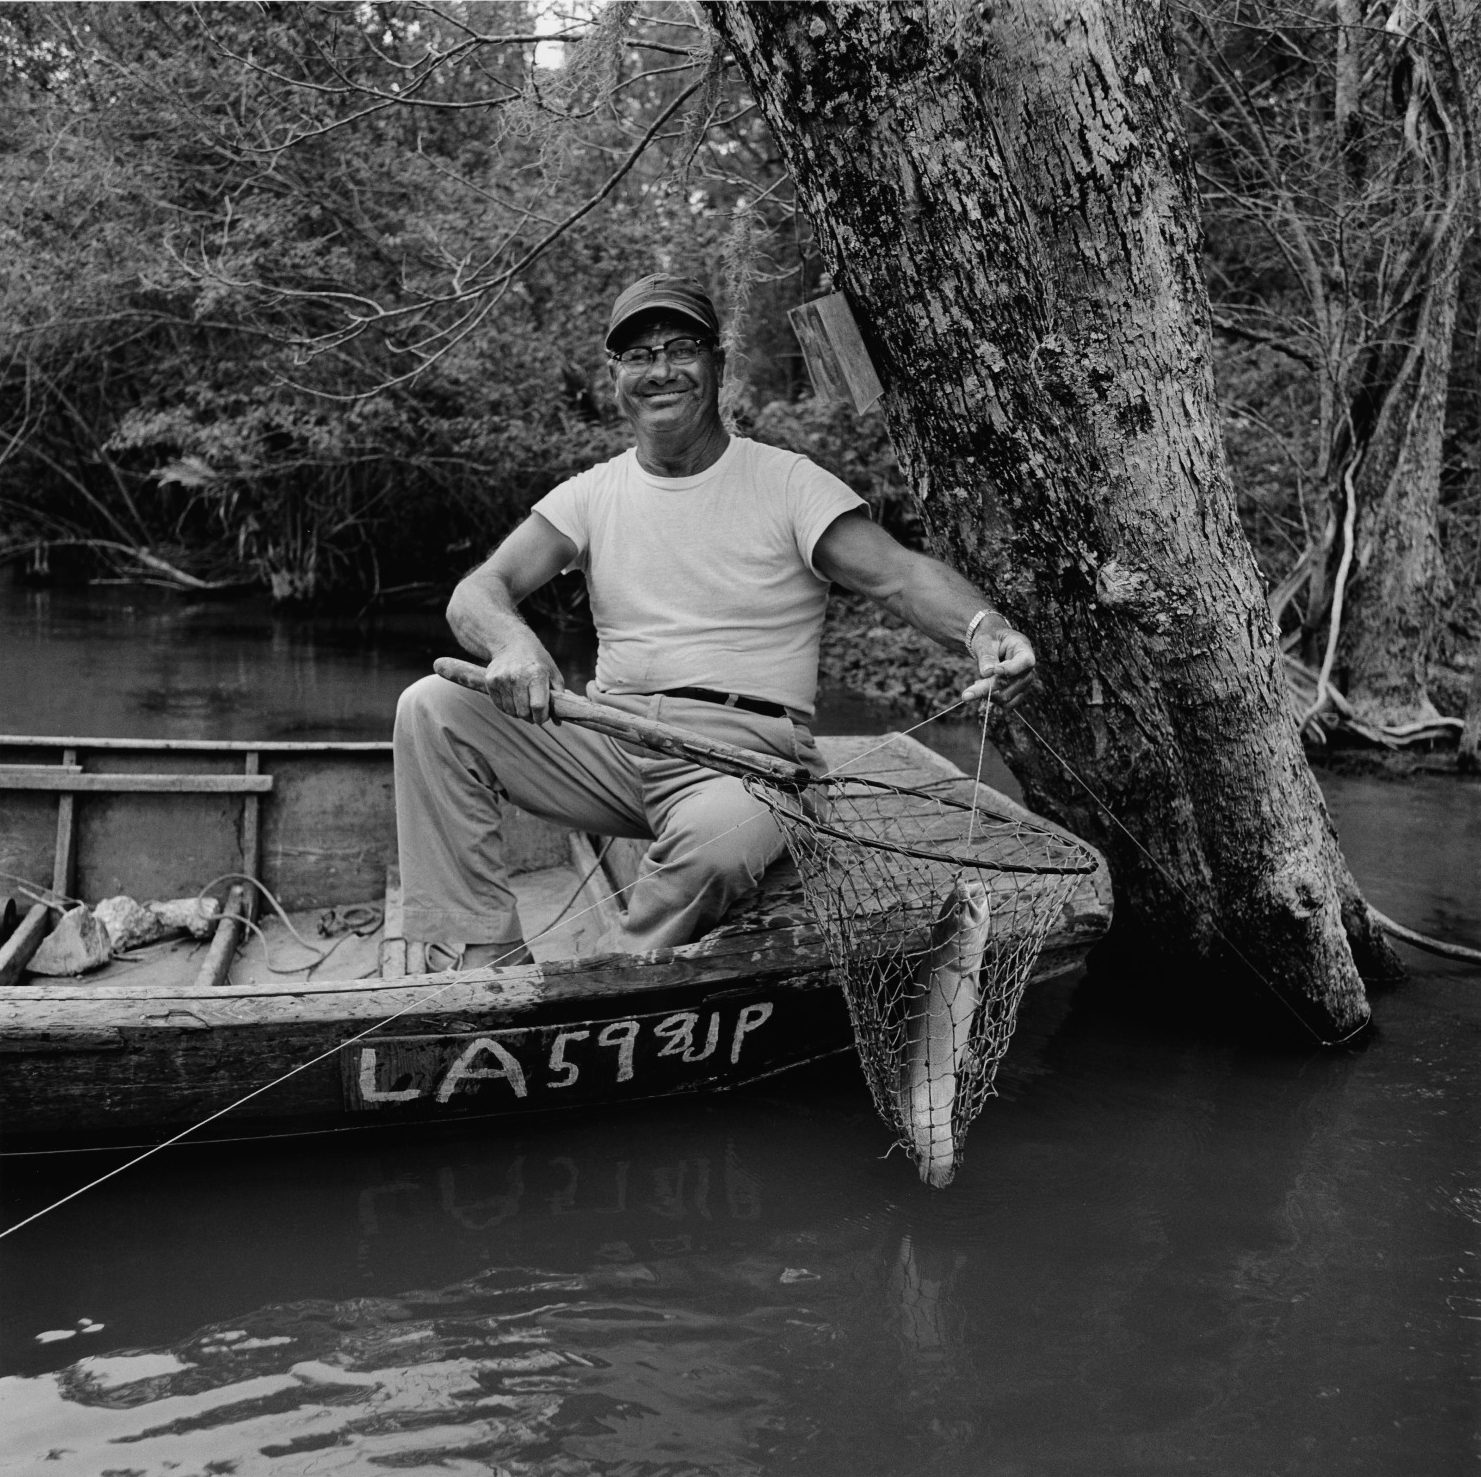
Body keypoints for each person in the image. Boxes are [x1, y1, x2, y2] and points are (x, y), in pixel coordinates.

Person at [394, 273, 1036, 968]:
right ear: (614, 374)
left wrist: (984, 631)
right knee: (432, 708)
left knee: (721, 836)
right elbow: (476, 592)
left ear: (717, 365)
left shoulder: (787, 483)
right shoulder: (590, 493)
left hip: (742, 763)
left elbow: (900, 575)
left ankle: (605, 978)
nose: (660, 369)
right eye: (638, 355)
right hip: (610, 740)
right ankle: (487, 956)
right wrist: (513, 641)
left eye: (681, 348)